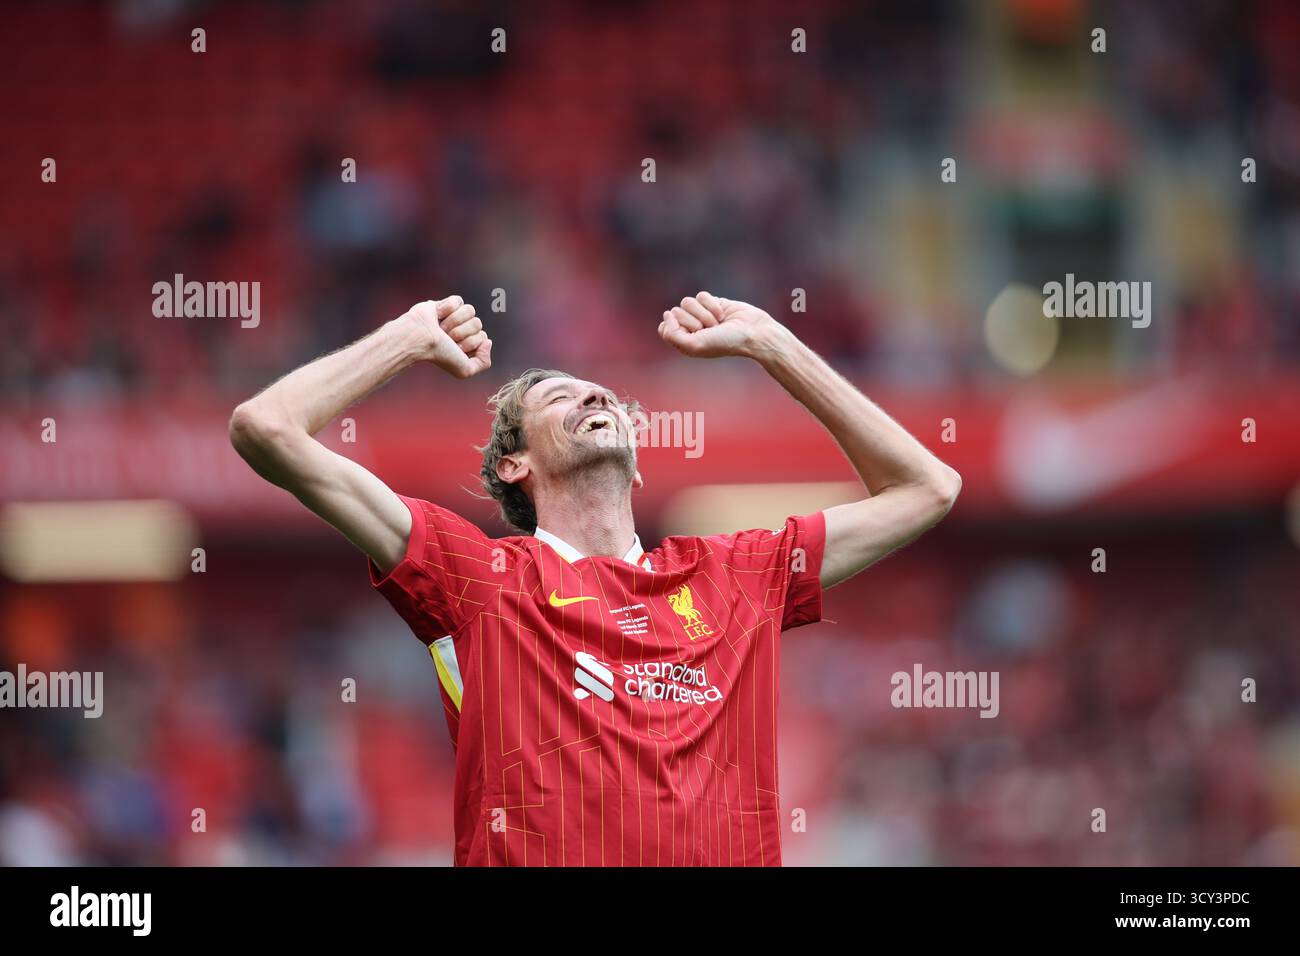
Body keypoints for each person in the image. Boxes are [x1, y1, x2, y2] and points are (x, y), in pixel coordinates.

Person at [229, 291, 960, 865]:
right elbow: (266, 429)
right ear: (514, 466)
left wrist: (776, 347)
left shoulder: (734, 575)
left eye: (602, 395)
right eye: (560, 398)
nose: (594, 398)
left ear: (638, 465)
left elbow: (927, 489)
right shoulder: (479, 580)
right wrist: (407, 338)